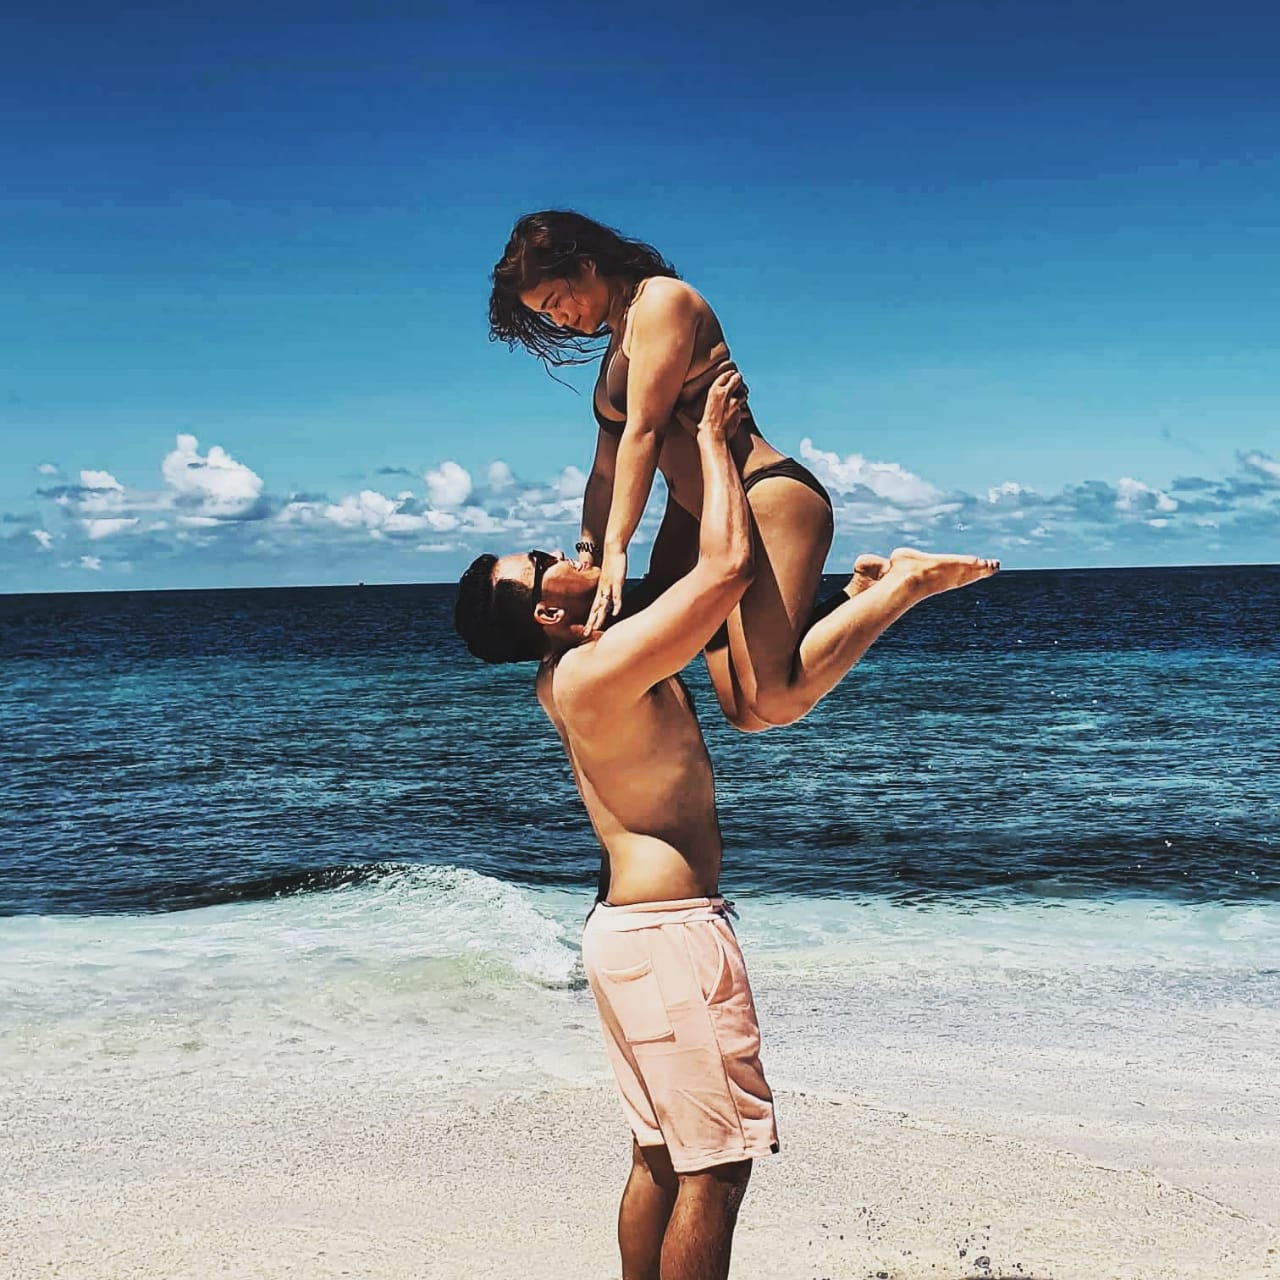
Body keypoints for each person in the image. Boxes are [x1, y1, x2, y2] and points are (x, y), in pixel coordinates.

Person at [454, 370, 999, 1279]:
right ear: (548, 611)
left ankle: (888, 591)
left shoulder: (578, 669)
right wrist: (710, 444)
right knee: (717, 1169)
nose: (561, 552)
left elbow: (737, 642)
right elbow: (725, 573)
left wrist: (842, 602)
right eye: (542, 565)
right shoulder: (595, 671)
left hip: (631, 933)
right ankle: (899, 590)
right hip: (668, 938)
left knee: (663, 1156)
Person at [489, 209, 998, 733]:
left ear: (586, 267)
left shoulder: (662, 302)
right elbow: (604, 472)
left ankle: (909, 581)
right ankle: (859, 593)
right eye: (546, 315)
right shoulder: (616, 348)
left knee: (775, 698)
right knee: (743, 713)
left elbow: (645, 431)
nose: (560, 320)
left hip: (767, 496)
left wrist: (619, 548)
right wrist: (590, 552)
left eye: (555, 303)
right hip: (711, 518)